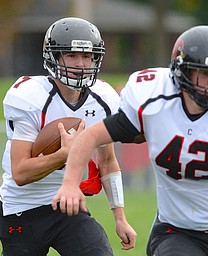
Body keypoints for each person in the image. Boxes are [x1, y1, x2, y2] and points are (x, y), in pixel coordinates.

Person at [52, 25, 208, 256]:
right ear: (182, 71)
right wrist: (70, 183)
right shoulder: (154, 100)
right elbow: (91, 136)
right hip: (178, 231)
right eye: (205, 73)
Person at [0, 17, 136, 256]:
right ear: (53, 57)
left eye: (87, 56)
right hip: (21, 209)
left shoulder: (103, 98)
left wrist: (120, 217)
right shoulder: (31, 97)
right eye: (72, 55)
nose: (81, 64)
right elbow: (20, 173)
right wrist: (64, 154)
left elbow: (107, 161)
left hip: (68, 206)